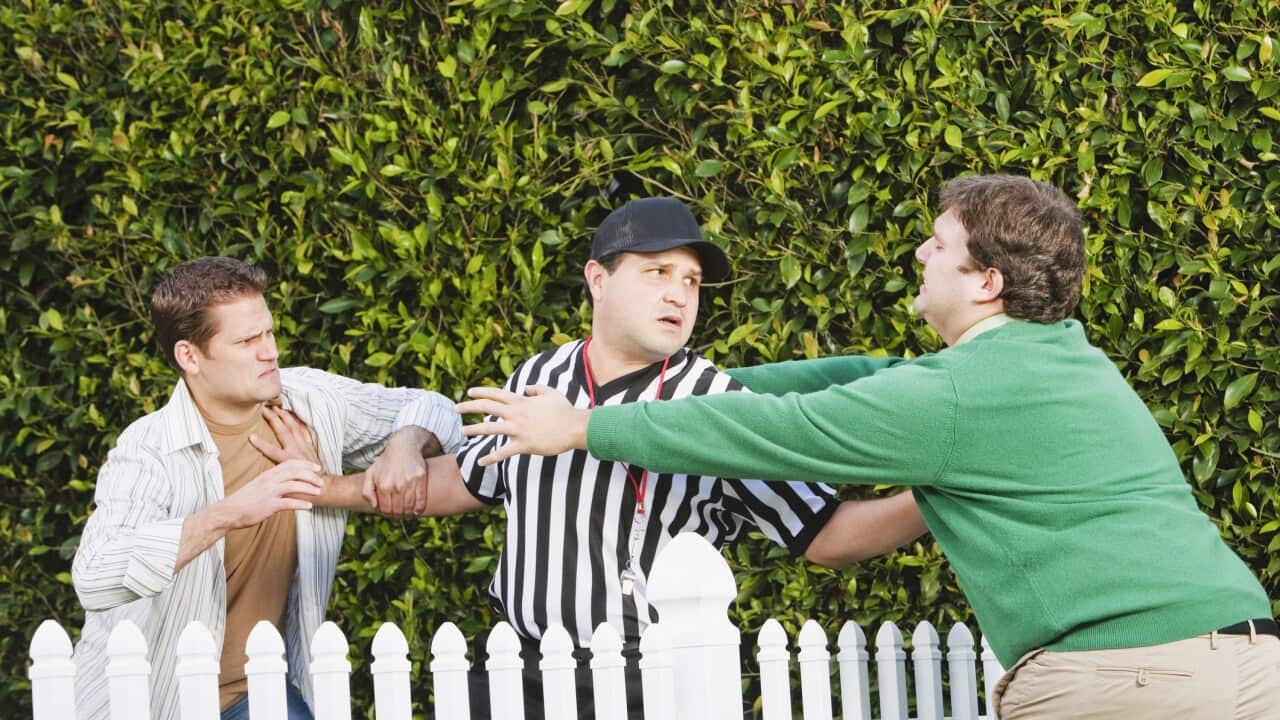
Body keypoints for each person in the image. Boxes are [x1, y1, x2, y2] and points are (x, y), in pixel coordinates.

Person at [458, 175, 1280, 719]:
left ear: (986, 280)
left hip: (1133, 682)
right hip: (1247, 660)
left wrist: (587, 426)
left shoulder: (952, 396)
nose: (919, 253)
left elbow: (784, 433)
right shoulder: (1058, 357)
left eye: (938, 243)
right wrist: (690, 382)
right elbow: (865, 373)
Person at [370, 197, 924, 718]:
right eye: (657, 273)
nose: (679, 295)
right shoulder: (538, 378)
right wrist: (323, 487)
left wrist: (937, 495)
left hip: (652, 681)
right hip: (523, 671)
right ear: (598, 280)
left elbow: (823, 532)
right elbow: (468, 480)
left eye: (691, 281)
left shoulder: (718, 402)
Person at [71, 257, 464, 720]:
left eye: (269, 333)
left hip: (254, 695)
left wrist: (404, 444)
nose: (270, 352)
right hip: (148, 702)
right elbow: (94, 576)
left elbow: (433, 409)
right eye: (246, 341)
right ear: (189, 356)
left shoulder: (309, 403)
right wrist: (227, 513)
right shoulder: (148, 449)